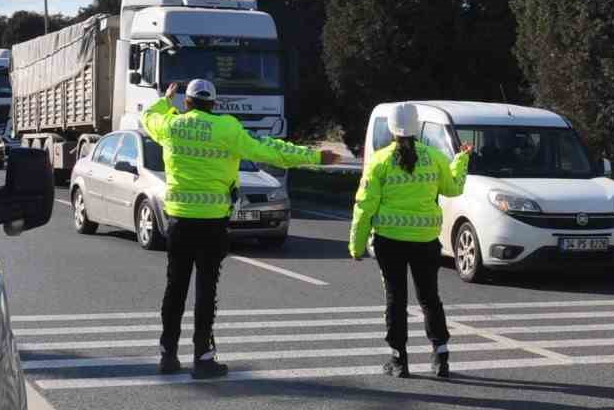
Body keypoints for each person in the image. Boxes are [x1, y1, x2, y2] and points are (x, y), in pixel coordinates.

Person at [143, 79, 337, 379]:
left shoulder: (172, 126)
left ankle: (167, 355)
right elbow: (268, 151)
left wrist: (165, 100)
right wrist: (313, 157)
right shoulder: (228, 129)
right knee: (206, 289)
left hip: (180, 221)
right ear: (214, 104)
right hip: (213, 223)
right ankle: (203, 358)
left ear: (188, 102)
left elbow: (149, 118)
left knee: (175, 288)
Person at [348, 103, 472, 378]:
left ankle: (399, 360)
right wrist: (461, 160)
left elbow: (364, 206)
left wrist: (356, 245)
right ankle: (441, 357)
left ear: (392, 129)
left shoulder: (379, 161)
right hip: (426, 241)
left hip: (388, 241)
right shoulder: (435, 156)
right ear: (416, 128)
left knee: (396, 299)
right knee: (430, 298)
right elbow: (454, 187)